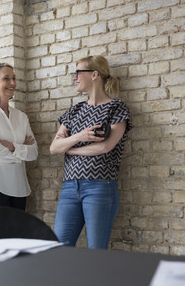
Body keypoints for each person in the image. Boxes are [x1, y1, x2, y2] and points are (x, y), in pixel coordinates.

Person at [50, 55, 132, 249]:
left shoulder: (116, 108)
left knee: (96, 252)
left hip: (100, 187)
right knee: (58, 249)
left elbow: (105, 147)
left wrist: (70, 149)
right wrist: (79, 136)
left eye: (78, 72)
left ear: (94, 74)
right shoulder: (74, 111)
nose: (74, 78)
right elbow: (54, 147)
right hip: (70, 187)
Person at [0, 63, 38, 211]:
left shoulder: (21, 117)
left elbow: (34, 152)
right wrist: (21, 154)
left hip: (19, 187)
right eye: (6, 78)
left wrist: (12, 147)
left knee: (16, 234)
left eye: (14, 78)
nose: (13, 83)